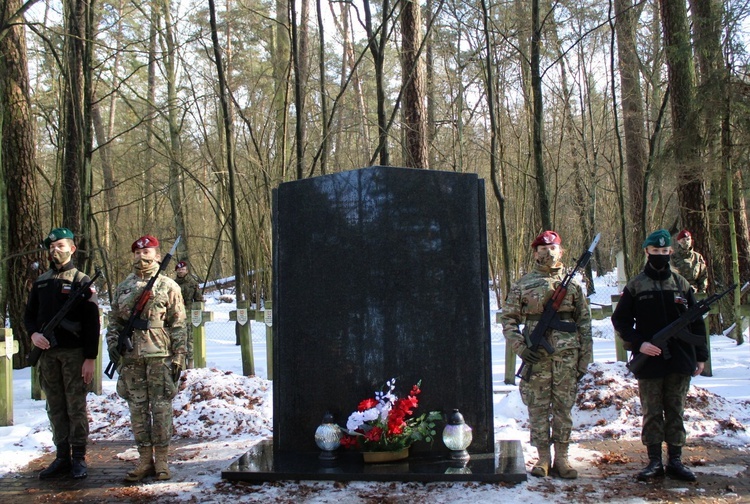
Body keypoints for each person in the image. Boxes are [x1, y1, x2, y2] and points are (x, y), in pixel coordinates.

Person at [612, 229, 707, 482]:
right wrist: (638, 344)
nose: (661, 256)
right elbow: (620, 320)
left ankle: (675, 460)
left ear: (671, 252)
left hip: (680, 359)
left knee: (675, 410)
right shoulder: (636, 285)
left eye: (665, 252)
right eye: (656, 252)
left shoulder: (681, 284)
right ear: (647, 252)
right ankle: (654, 461)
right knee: (652, 411)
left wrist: (701, 356)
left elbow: (697, 323)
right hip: (650, 360)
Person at [501, 230, 592, 479]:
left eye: (553, 249)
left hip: (566, 357)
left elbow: (584, 323)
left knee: (563, 407)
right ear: (535, 252)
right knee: (538, 408)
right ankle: (542, 457)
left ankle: (562, 457)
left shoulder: (572, 284)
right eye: (543, 249)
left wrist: (584, 359)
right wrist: (520, 347)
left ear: (560, 251)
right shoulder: (523, 284)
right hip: (536, 355)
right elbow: (508, 320)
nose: (548, 253)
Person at [106, 235, 187, 482]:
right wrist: (113, 346)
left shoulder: (168, 285)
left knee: (161, 409)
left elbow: (178, 323)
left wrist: (180, 355)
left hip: (159, 357)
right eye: (138, 253)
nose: (142, 256)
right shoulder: (124, 287)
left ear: (157, 255)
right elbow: (115, 322)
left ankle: (162, 461)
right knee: (138, 410)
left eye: (147, 252)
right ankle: (144, 460)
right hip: (131, 359)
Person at [24, 227, 100, 479]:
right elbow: (29, 316)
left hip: (74, 354)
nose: (55, 250)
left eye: (60, 246)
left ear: (72, 249)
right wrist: (34, 335)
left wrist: (90, 358)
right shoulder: (42, 281)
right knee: (54, 405)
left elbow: (92, 323)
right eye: (52, 247)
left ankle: (78, 457)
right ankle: (61, 456)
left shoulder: (81, 281)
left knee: (75, 405)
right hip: (47, 355)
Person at [174, 260, 204, 368]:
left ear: (186, 270)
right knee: (179, 338)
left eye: (183, 269)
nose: (181, 271)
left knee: (190, 339)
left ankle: (190, 364)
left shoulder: (192, 283)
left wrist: (198, 312)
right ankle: (180, 363)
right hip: (177, 314)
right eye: (179, 269)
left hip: (190, 314)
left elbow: (199, 299)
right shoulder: (173, 284)